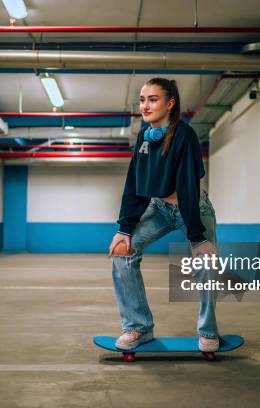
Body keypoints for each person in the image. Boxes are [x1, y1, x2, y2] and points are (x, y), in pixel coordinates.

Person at [108, 77, 220, 352]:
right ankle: (138, 327)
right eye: (143, 100)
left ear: (170, 104)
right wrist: (124, 230)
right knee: (123, 253)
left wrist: (198, 238)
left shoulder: (185, 136)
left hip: (193, 209)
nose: (145, 106)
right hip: (159, 209)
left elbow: (188, 188)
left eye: (153, 99)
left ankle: (208, 331)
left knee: (206, 265)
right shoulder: (144, 140)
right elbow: (134, 185)